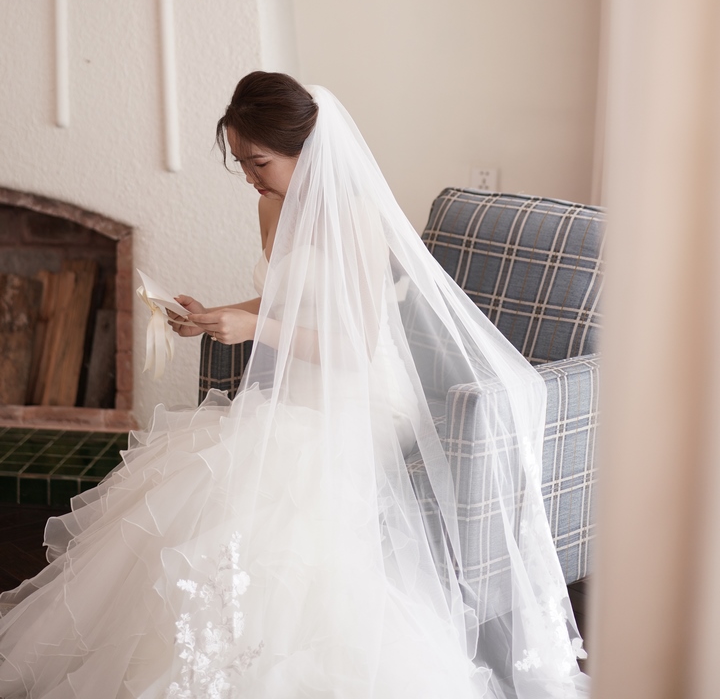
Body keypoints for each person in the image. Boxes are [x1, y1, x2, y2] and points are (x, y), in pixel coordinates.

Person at [0, 72, 589, 698]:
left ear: (306, 149)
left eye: (260, 162)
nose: (250, 178)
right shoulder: (270, 205)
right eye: (240, 163)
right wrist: (213, 316)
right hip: (299, 389)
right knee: (203, 471)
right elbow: (286, 300)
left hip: (364, 397)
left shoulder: (356, 217)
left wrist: (254, 327)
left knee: (257, 478)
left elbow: (354, 347)